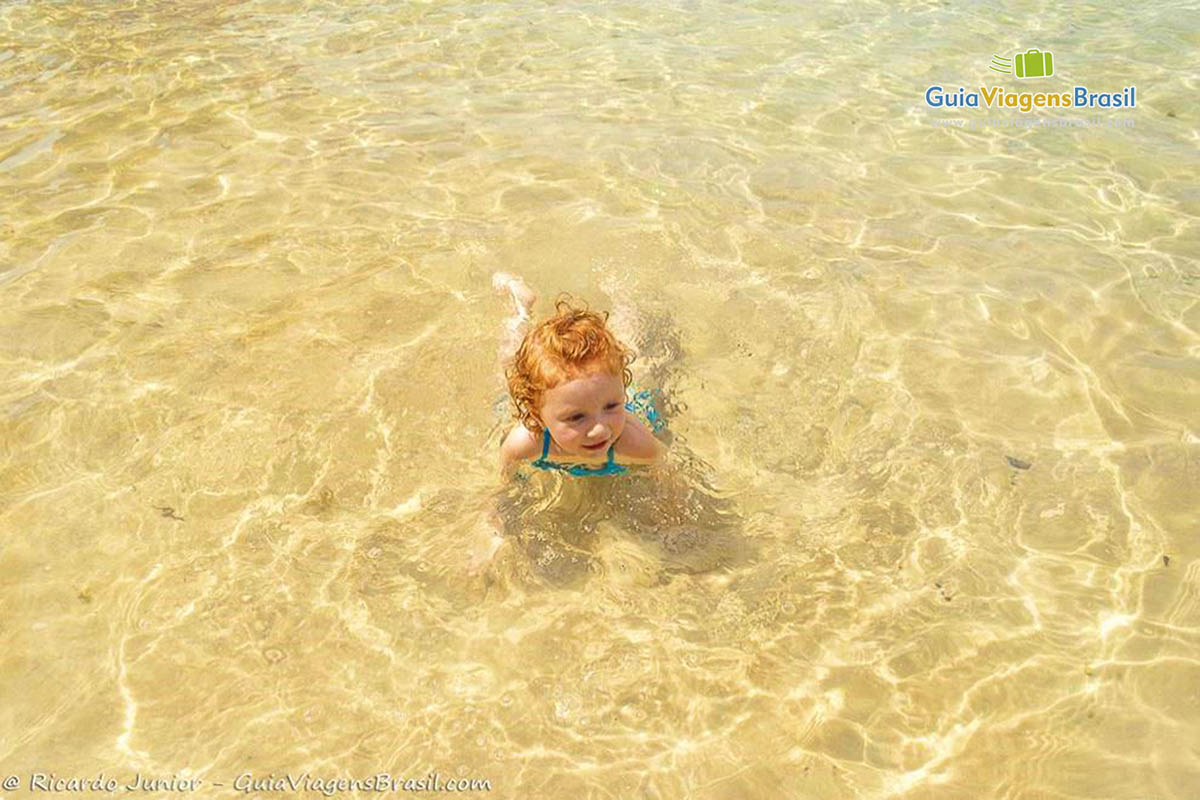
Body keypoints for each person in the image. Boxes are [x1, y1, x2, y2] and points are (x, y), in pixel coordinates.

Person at [492, 273, 666, 477]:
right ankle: (522, 310)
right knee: (510, 365)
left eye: (612, 406)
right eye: (576, 417)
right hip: (559, 395)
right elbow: (505, 483)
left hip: (596, 388)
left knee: (635, 357)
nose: (599, 430)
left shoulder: (636, 443)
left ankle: (625, 300)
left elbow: (667, 477)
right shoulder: (525, 443)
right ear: (538, 418)